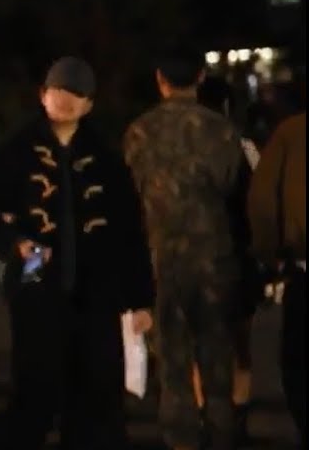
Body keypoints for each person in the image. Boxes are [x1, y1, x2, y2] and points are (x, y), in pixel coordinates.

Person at [0, 57, 155, 450]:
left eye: (78, 94)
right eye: (59, 91)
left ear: (89, 104)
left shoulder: (106, 158)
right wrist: (14, 243)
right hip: (37, 284)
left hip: (97, 293)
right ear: (43, 95)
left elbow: (129, 231)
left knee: (97, 393)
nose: (67, 100)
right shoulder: (16, 152)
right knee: (34, 386)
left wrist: (139, 299)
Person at [123, 52, 251, 450]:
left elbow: (126, 200)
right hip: (214, 261)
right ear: (200, 77)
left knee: (173, 366)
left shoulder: (138, 132)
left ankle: (180, 441)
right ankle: (222, 436)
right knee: (217, 362)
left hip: (159, 262)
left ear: (159, 79)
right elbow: (237, 192)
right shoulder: (221, 131)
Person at [195, 76, 260, 443]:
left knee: (198, 344)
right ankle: (238, 418)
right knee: (239, 345)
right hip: (235, 258)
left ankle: (205, 416)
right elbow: (257, 200)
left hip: (191, 257)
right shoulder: (241, 145)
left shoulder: (180, 146)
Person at [247, 111, 306, 446]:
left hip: (303, 265)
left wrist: (270, 256)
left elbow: (263, 202)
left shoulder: (291, 133)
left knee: (298, 363)